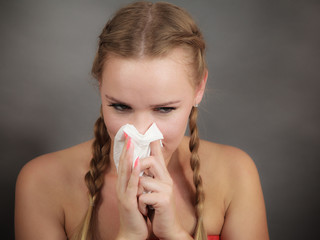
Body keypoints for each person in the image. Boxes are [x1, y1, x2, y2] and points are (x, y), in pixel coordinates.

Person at [15, 1, 269, 240]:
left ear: (198, 89)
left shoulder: (235, 172)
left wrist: (174, 234)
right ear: (100, 87)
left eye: (164, 109)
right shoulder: (42, 183)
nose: (139, 130)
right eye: (120, 106)